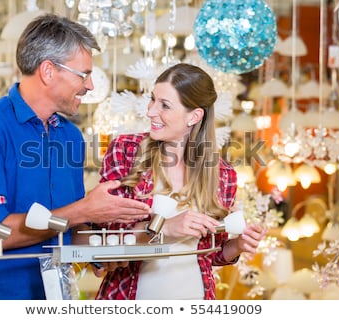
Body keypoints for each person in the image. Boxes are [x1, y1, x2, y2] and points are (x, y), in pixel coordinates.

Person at [0, 13, 151, 300]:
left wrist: (103, 250)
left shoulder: (70, 136)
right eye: (84, 74)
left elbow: (67, 224)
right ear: (48, 71)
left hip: (59, 297)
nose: (90, 86)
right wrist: (85, 209)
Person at [92, 63, 266, 300]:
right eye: (153, 100)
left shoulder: (222, 174)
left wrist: (237, 245)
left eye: (164, 105)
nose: (151, 111)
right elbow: (106, 238)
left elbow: (209, 254)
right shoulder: (126, 151)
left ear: (194, 116)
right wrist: (165, 229)